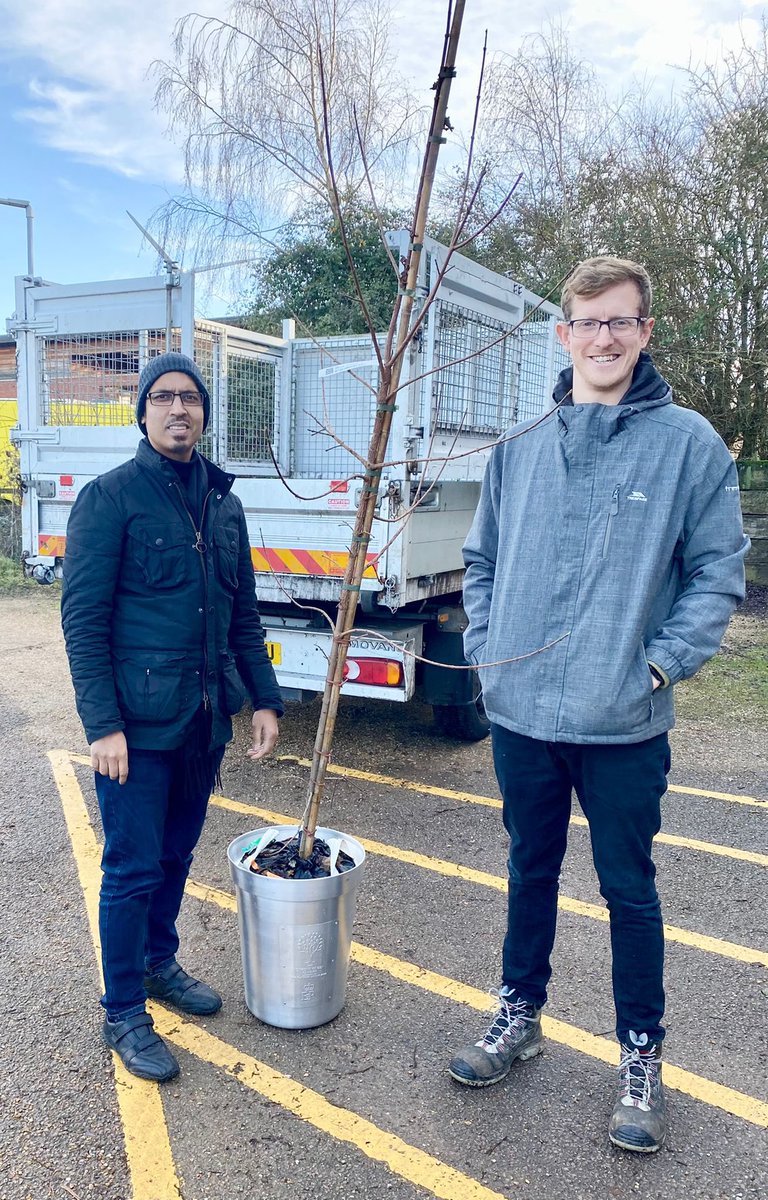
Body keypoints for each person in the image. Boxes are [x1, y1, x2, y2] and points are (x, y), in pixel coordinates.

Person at [449, 257, 749, 1152]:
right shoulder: (522, 442)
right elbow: (482, 562)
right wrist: (486, 653)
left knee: (629, 890)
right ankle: (519, 1013)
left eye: (622, 322)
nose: (605, 337)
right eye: (589, 322)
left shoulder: (689, 444)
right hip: (522, 715)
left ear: (644, 332)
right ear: (564, 333)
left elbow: (715, 573)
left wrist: (658, 667)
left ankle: (642, 1056)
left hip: (623, 722)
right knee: (527, 870)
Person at [62, 350, 283, 1083]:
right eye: (164, 397)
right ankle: (123, 1010)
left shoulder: (224, 503)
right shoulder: (110, 498)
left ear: (204, 413)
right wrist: (103, 727)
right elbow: (84, 623)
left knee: (176, 857)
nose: (179, 409)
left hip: (201, 723)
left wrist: (265, 699)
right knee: (129, 869)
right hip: (135, 727)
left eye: (191, 398)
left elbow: (243, 611)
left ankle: (159, 964)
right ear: (144, 411)